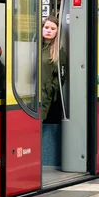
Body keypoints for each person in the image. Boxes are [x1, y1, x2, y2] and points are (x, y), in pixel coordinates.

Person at [41, 16, 67, 166]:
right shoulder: (34, 46)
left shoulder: (58, 52)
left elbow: (60, 78)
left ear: (57, 32)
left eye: (52, 29)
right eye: (46, 28)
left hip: (49, 98)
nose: (49, 31)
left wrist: (50, 89)